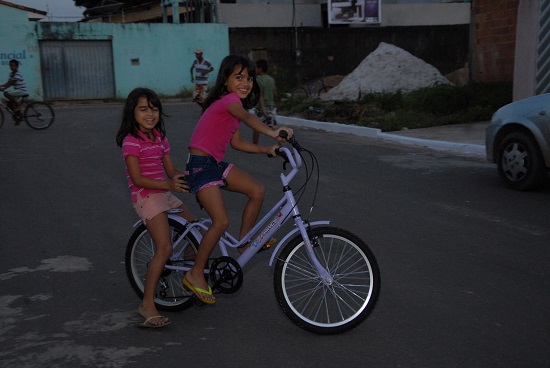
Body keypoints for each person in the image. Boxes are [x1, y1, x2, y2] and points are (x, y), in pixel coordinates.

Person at [182, 55, 293, 304]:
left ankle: (244, 243)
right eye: (239, 77)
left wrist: (266, 148)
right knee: (220, 221)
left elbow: (237, 142)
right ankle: (195, 273)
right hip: (200, 166)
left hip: (214, 164)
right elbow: (248, 118)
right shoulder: (229, 102)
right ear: (226, 82)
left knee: (257, 190)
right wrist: (272, 131)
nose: (246, 82)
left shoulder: (232, 108)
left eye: (249, 78)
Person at [115, 87, 197, 328]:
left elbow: (172, 171)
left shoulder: (160, 137)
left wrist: (192, 177)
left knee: (194, 235)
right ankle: (147, 303)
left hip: (164, 193)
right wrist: (168, 183)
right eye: (143, 109)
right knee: (164, 247)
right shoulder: (131, 142)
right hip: (147, 197)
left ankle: (189, 280)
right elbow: (138, 179)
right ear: (133, 112)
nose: (150, 114)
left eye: (154, 109)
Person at [251, 59, 278, 144]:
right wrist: (275, 105)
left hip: (262, 107)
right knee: (272, 125)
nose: (255, 70)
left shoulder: (258, 80)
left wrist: (262, 109)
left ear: (260, 69)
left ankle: (254, 146)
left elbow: (260, 95)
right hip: (271, 105)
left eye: (256, 68)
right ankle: (280, 144)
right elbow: (275, 94)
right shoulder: (271, 79)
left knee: (256, 127)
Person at [0, 59, 28, 124]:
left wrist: (3, 88)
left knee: (6, 93)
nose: (12, 67)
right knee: (9, 103)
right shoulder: (11, 74)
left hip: (22, 90)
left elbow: (12, 83)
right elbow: (8, 82)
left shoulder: (18, 74)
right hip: (17, 91)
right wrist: (1, 86)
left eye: (14, 66)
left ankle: (19, 105)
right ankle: (18, 116)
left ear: (17, 66)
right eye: (11, 65)